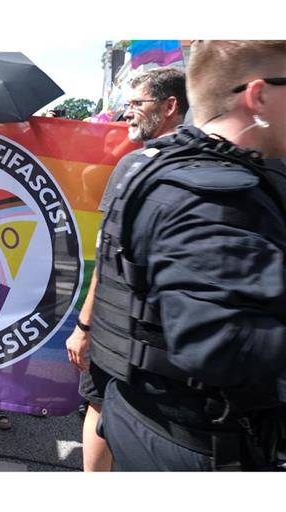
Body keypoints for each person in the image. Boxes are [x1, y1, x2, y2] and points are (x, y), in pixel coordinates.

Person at [92, 40, 286, 471]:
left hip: (149, 421)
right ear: (258, 95)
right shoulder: (216, 196)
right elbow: (220, 342)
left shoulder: (157, 168)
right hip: (199, 445)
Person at [66, 67, 189, 471]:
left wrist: (83, 326)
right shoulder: (222, 161)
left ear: (171, 106)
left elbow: (108, 256)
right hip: (180, 341)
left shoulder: (135, 166)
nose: (128, 112)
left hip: (121, 330)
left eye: (137, 103)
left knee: (99, 406)